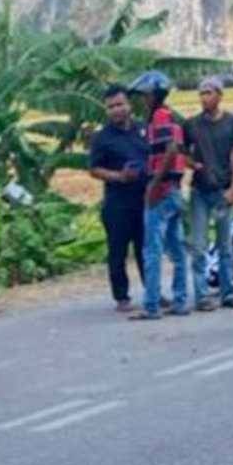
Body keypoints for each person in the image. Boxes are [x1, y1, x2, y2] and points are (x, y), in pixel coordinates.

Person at [127, 70, 188, 319]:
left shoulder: (160, 118)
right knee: (176, 249)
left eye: (145, 95)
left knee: (152, 250)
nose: (143, 100)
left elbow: (171, 150)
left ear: (154, 95)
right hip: (174, 191)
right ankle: (180, 301)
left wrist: (154, 185)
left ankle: (151, 305)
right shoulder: (171, 116)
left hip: (161, 191)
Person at [184, 77, 233, 311]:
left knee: (225, 245)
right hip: (200, 190)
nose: (204, 98)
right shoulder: (192, 125)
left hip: (222, 189)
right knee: (199, 245)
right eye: (201, 93)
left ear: (220, 95)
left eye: (209, 93)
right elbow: (182, 152)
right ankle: (201, 295)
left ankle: (227, 291)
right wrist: (192, 164)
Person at [89, 84, 149, 313]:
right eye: (111, 106)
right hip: (117, 202)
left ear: (129, 105)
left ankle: (151, 291)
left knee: (147, 249)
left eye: (120, 104)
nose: (116, 110)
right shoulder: (102, 138)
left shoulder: (143, 129)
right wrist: (119, 176)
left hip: (144, 199)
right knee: (118, 251)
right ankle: (121, 297)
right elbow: (94, 169)